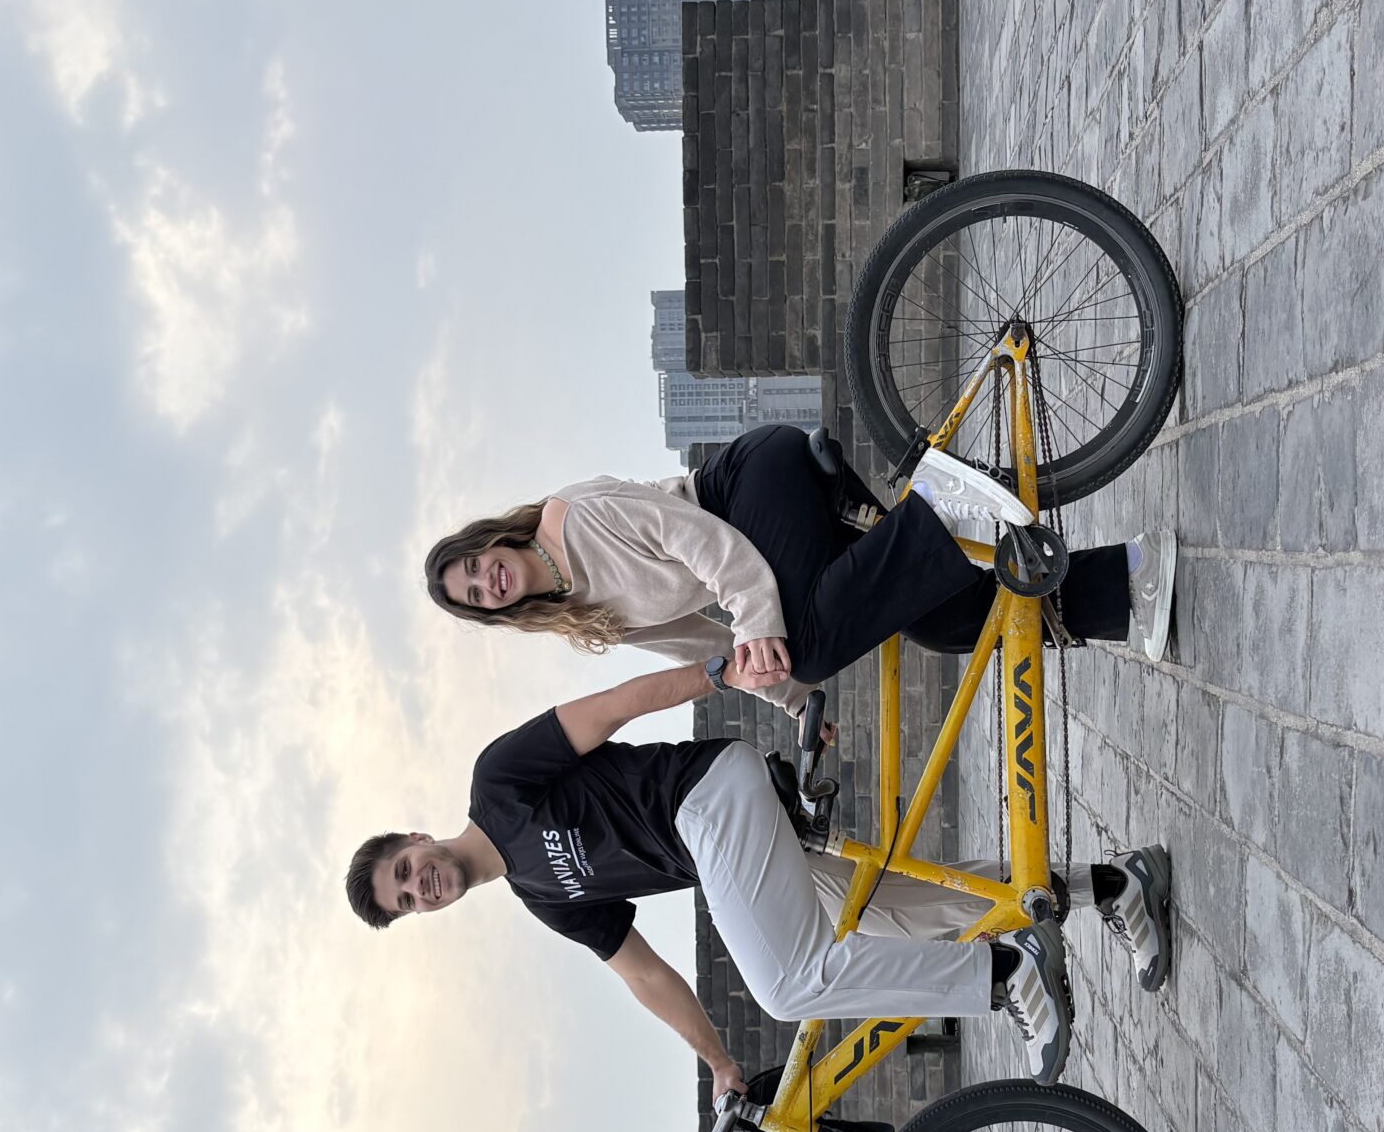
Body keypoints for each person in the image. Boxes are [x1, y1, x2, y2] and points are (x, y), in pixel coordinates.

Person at [343, 658, 1170, 1096]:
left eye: (406, 871)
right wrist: (718, 1063)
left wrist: (720, 673)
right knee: (911, 912)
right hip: (733, 848)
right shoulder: (542, 897)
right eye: (408, 901)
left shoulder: (496, 783)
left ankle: (1007, 974)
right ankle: (1114, 885)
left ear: (415, 838)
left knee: (787, 984)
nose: (422, 887)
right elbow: (644, 974)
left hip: (708, 799)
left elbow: (611, 708)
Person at [420, 424, 1178, 718]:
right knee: (937, 620)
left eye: (476, 567)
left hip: (750, 485)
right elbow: (702, 644)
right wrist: (789, 698)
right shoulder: (581, 616)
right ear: (493, 612)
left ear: (489, 542)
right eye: (476, 595)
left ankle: (943, 509)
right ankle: (1128, 587)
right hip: (766, 544)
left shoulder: (575, 518)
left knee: (808, 642)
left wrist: (768, 635)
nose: (489, 581)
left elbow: (705, 545)